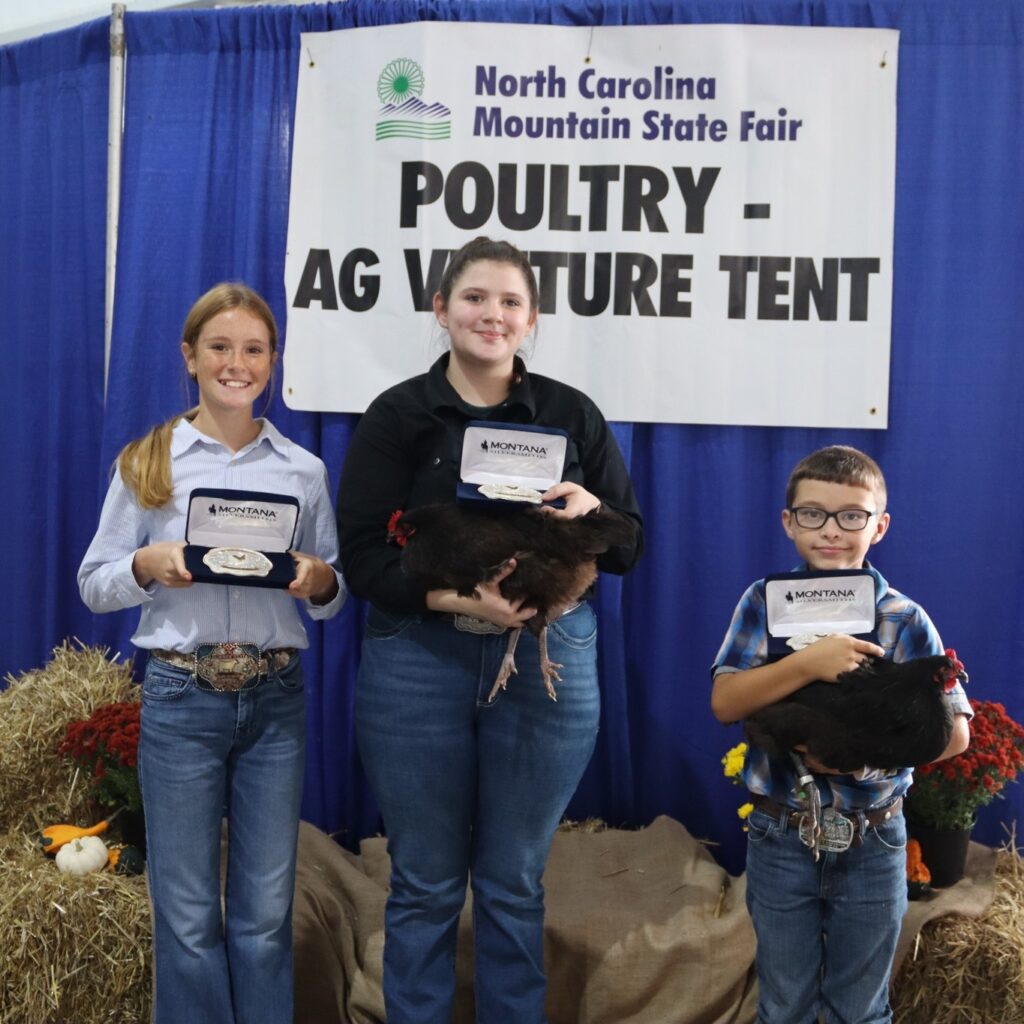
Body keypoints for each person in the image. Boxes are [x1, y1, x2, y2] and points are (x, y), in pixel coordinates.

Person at [336, 236, 643, 1023]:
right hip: (418, 664)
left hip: (546, 661)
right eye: (474, 297)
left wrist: (593, 512)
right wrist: (459, 603)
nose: (492, 315)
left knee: (512, 880)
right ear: (441, 309)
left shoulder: (572, 415)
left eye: (510, 301)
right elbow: (363, 558)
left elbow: (630, 546)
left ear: (531, 318)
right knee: (426, 881)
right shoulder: (398, 416)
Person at [78, 283, 345, 1024]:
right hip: (180, 696)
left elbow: (332, 589)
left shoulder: (303, 471)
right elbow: (94, 582)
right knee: (187, 914)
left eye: (254, 349)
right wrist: (146, 565)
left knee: (264, 915)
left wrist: (320, 580)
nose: (237, 363)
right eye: (220, 348)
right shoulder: (148, 462)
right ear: (189, 357)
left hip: (274, 699)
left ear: (273, 361)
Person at [711, 445, 971, 1024]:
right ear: (788, 522)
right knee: (785, 1004)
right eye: (813, 514)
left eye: (852, 516)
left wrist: (860, 760)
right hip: (782, 830)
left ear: (878, 526)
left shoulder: (904, 618)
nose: (832, 530)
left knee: (860, 1007)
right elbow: (726, 702)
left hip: (874, 835)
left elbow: (954, 735)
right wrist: (808, 664)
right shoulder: (762, 603)